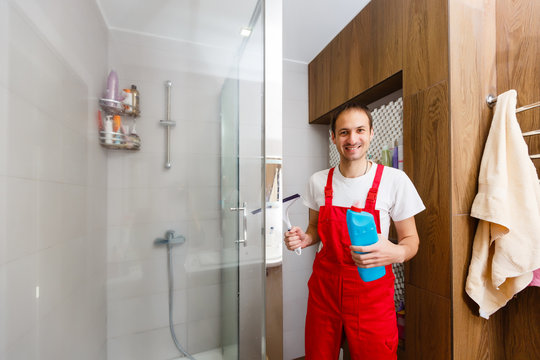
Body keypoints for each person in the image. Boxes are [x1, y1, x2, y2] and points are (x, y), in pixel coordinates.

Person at [284, 102, 425, 360]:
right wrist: (305, 239)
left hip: (371, 293)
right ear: (334, 137)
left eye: (360, 130)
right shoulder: (318, 181)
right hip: (324, 291)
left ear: (371, 133)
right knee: (318, 355)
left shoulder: (394, 180)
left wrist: (394, 253)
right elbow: (315, 228)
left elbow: (411, 241)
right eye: (344, 132)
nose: (353, 139)